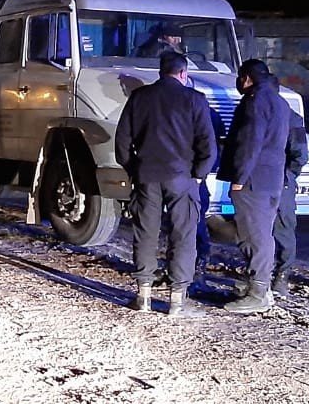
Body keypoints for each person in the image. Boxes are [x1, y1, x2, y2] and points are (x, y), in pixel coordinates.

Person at [115, 51, 217, 318]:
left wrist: (134, 169)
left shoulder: (139, 97)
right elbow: (208, 145)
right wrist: (198, 174)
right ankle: (176, 301)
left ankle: (143, 297)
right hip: (182, 177)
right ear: (183, 73)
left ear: (160, 72)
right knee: (183, 235)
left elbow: (122, 141)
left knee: (145, 233)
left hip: (147, 176)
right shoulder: (195, 99)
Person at [218, 59, 289, 314]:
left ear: (246, 78)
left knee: (254, 236)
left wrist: (239, 178)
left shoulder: (255, 101)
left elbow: (250, 143)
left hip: (252, 180)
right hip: (271, 179)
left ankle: (258, 293)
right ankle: (260, 285)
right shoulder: (279, 101)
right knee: (260, 233)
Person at [271, 108, 308, 298]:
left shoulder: (289, 117)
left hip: (281, 180)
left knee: (283, 229)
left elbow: (300, 155)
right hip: (265, 179)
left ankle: (282, 275)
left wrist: (287, 176)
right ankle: (262, 275)